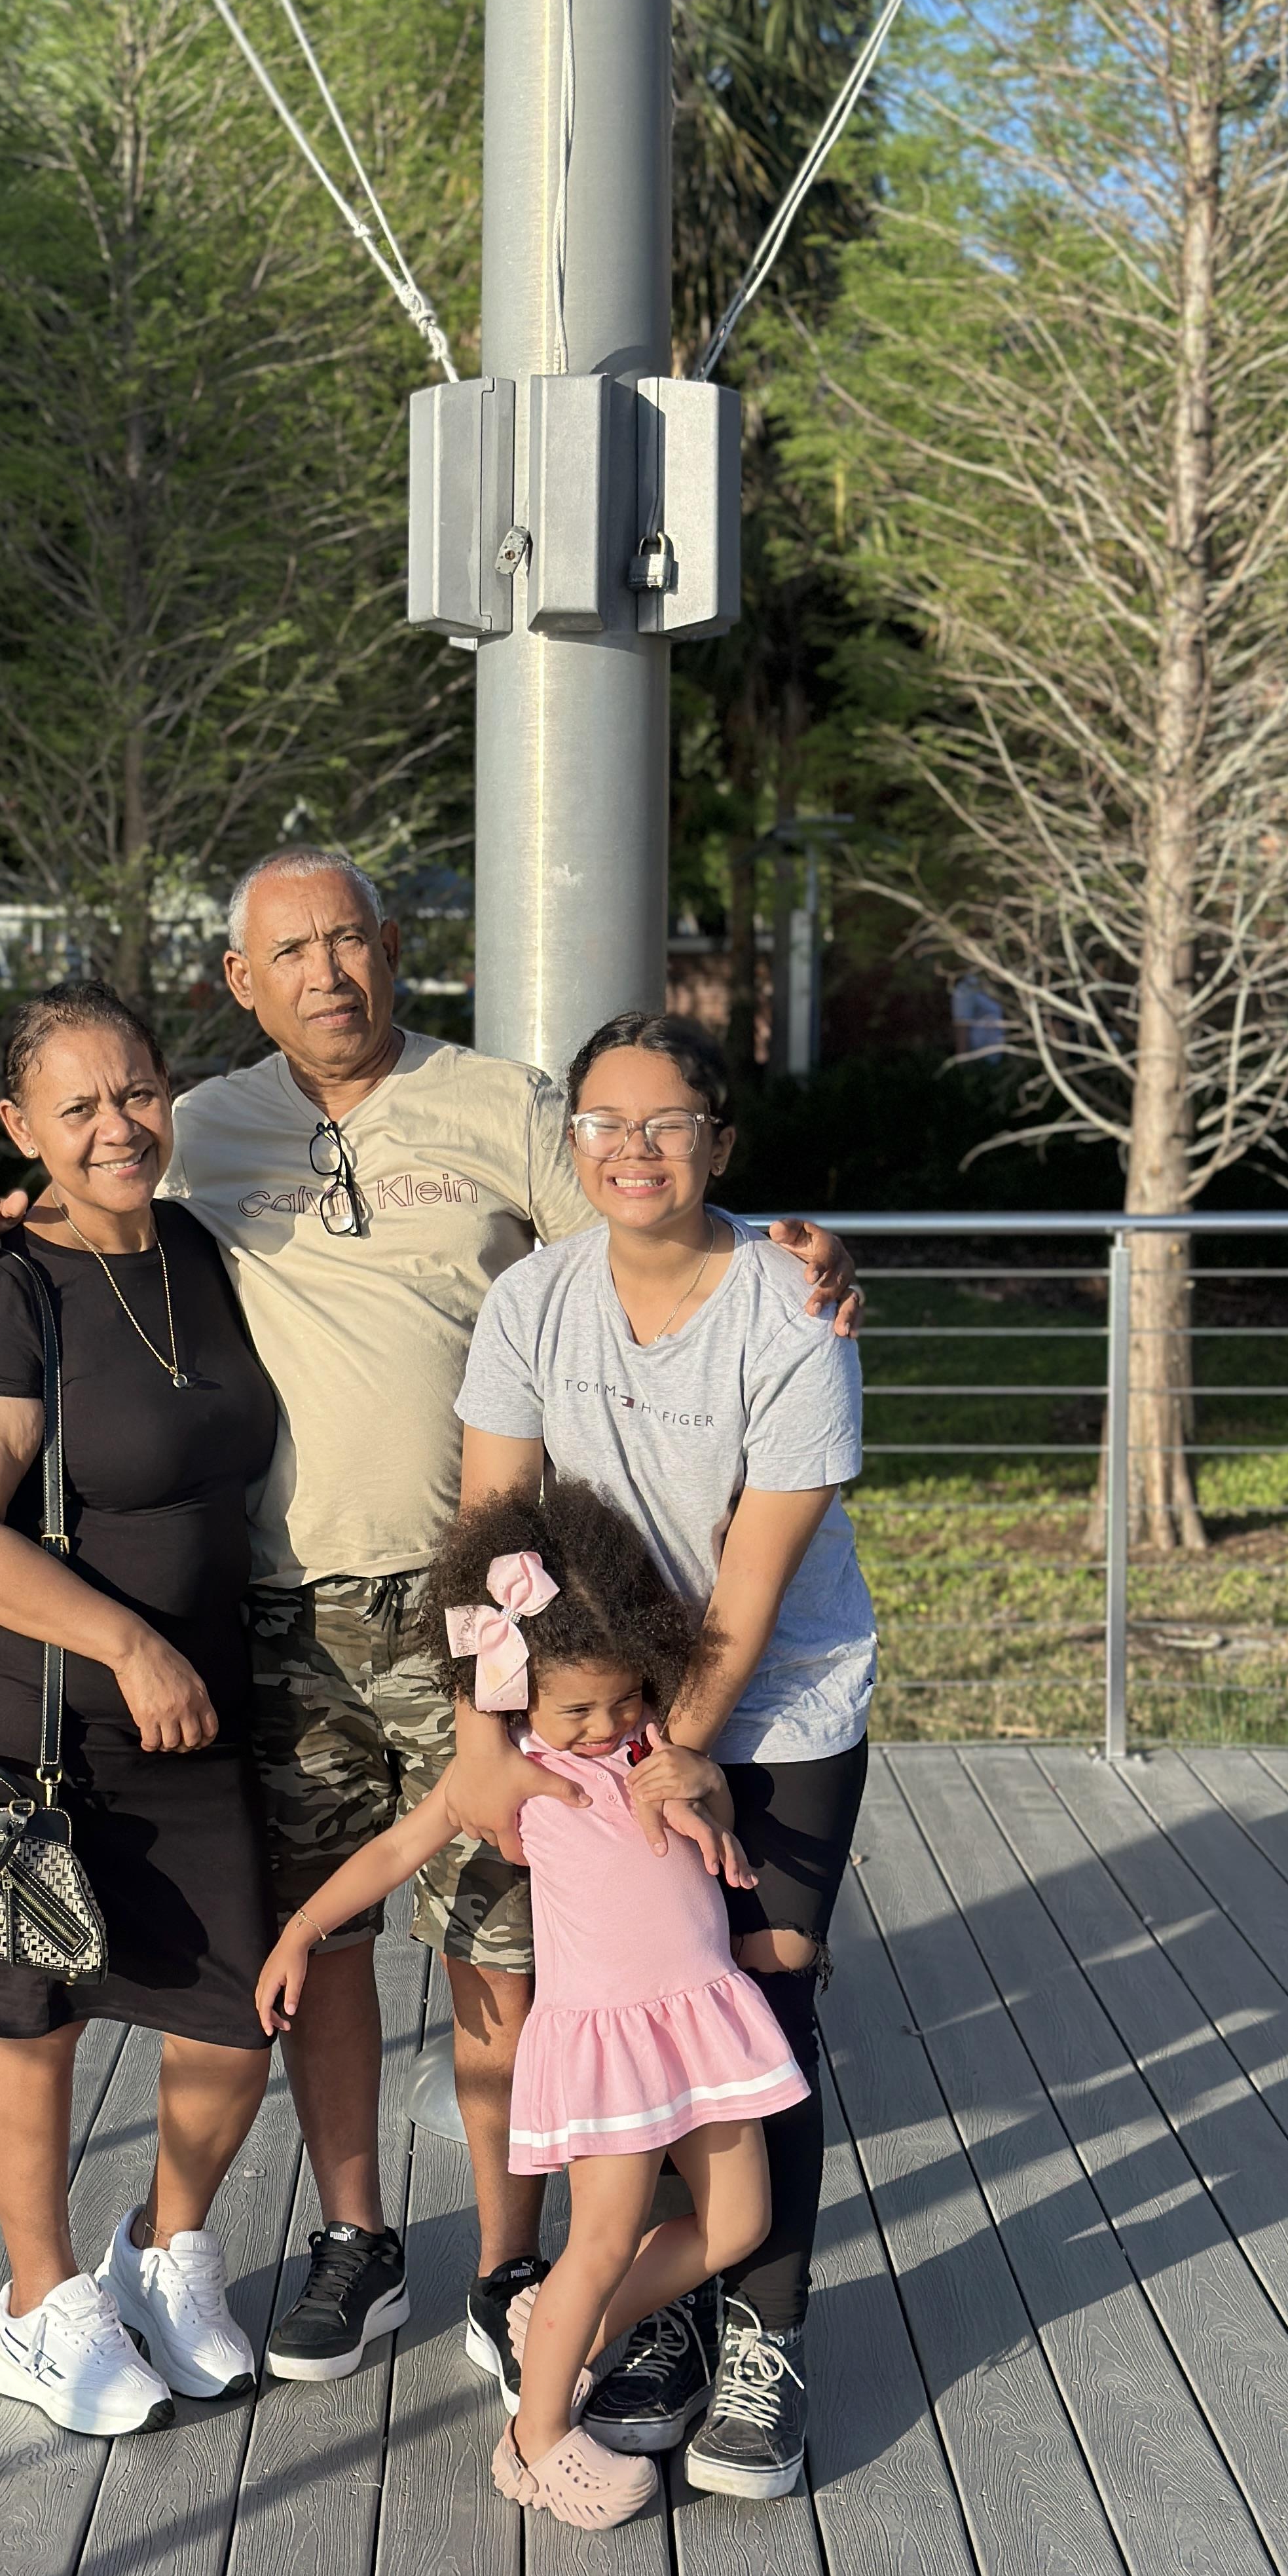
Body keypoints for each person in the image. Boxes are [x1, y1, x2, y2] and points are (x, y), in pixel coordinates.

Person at [0, 846, 860, 2395]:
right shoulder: (198, 1124)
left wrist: (794, 1254)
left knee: (505, 1946)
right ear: (242, 983)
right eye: (290, 952)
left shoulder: (501, 1104)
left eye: (350, 939)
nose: (328, 973)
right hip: (280, 1612)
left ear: (392, 946)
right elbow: (83, 1190)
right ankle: (357, 2235)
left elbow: (648, 1202)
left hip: (476, 1613)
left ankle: (510, 2259)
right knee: (332, 1943)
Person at [450, 1009, 875, 2499]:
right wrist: (484, 1737)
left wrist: (679, 1753)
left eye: (667, 1124)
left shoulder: (790, 1309)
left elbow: (749, 1589)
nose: (633, 1150)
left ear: (720, 1144)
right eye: (604, 1124)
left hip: (777, 1709)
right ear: (573, 1144)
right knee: (639, 2006)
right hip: (604, 1720)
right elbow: (490, 1543)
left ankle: (765, 2335)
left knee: (766, 2002)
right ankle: (659, 2313)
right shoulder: (533, 1302)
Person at [255, 1482, 809, 2531]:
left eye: (624, 1701)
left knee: (741, 2220)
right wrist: (299, 1933)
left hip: (699, 2020)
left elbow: (707, 1810)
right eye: (576, 1712)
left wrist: (712, 1808)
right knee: (597, 2241)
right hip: (608, 2044)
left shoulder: (656, 1749)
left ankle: (571, 2329)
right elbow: (393, 1851)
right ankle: (535, 2438)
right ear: (521, 1700)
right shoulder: (516, 1779)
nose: (606, 1727)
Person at [0, 981, 280, 2439]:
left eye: (136, 1092)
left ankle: (165, 2253)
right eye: (78, 1108)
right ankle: (40, 2305)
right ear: (21, 1128)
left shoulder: (199, 1246)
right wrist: (129, 1645)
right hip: (43, 1706)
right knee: (34, 2011)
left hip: (202, 1695)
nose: (117, 1126)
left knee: (237, 2012)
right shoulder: (7, 1290)